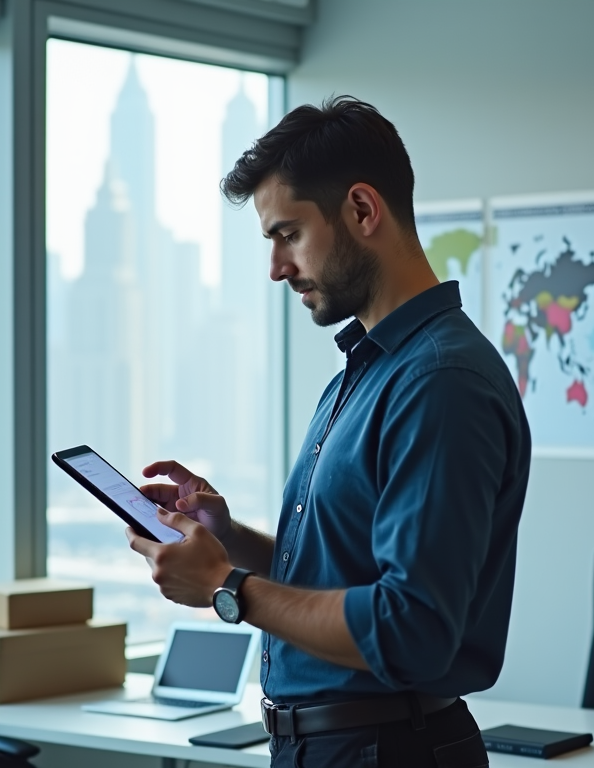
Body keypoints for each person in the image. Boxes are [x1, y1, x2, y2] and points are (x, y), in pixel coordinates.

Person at [127, 96, 531, 768]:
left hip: (386, 750)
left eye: (288, 234)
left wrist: (228, 588)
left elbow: (412, 631)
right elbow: (345, 571)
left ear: (363, 211)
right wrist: (232, 542)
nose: (277, 268)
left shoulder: (437, 382)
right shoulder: (368, 370)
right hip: (338, 748)